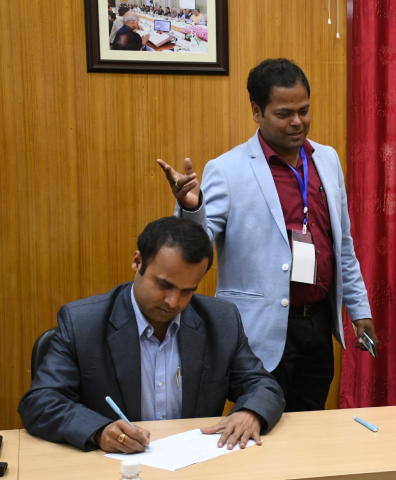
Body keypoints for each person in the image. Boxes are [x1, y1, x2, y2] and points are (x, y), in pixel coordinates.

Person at [156, 59, 376, 412]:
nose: (297, 122)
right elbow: (194, 248)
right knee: (259, 424)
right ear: (257, 111)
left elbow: (343, 247)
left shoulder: (327, 159)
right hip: (259, 330)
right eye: (284, 113)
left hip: (317, 325)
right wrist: (190, 207)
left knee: (310, 426)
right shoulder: (227, 170)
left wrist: (359, 308)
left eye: (304, 111)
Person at [18, 217, 285, 453]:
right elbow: (40, 402)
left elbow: (263, 385)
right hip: (117, 467)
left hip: (195, 465)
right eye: (164, 285)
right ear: (137, 262)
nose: (172, 302)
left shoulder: (221, 320)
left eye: (187, 291)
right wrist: (99, 430)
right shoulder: (82, 323)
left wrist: (251, 411)